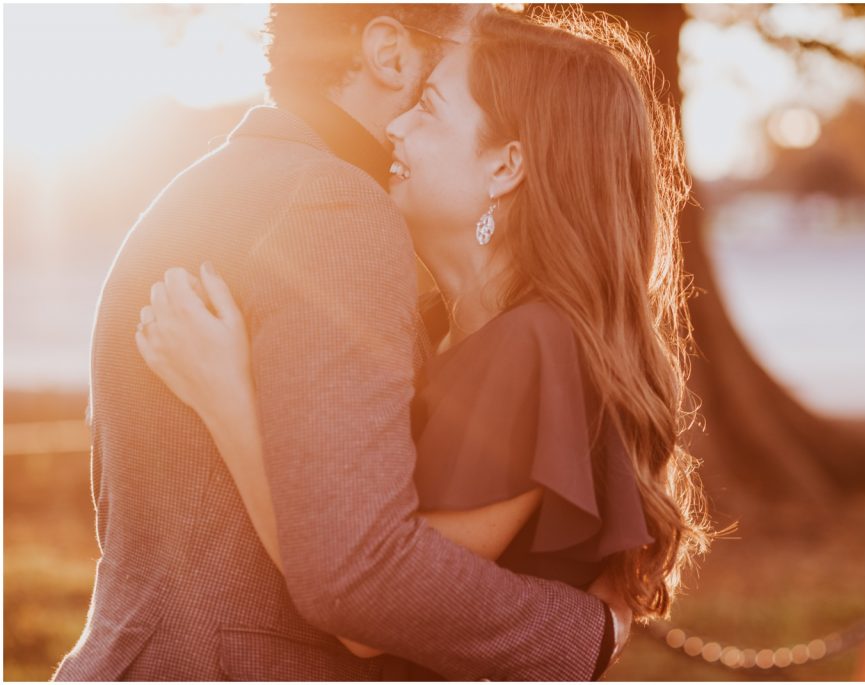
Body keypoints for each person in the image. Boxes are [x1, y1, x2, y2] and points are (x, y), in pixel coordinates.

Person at [133, 7, 727, 680]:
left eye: (430, 107)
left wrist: (228, 399)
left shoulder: (533, 347)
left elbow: (371, 597)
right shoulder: (449, 329)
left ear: (506, 165)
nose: (396, 125)